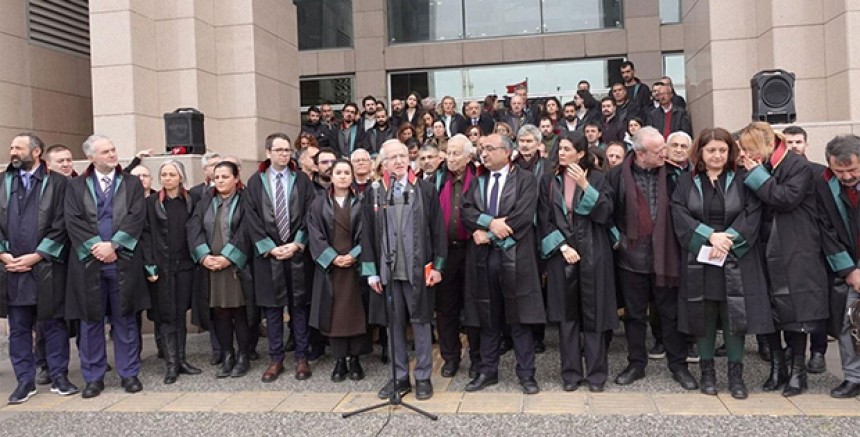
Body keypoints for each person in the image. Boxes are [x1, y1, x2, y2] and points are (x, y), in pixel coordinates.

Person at [671, 127, 773, 399]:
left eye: (723, 150)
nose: (717, 155)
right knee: (703, 315)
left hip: (735, 256)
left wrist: (727, 241)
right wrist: (709, 236)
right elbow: (679, 214)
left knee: (733, 316)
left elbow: (752, 213)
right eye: (711, 150)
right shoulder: (686, 181)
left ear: (731, 152)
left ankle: (736, 375)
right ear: (700, 152)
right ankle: (707, 373)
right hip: (701, 257)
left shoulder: (742, 178)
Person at [738, 122, 828, 397]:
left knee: (795, 309)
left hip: (794, 246)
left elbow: (785, 198)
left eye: (751, 149)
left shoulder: (796, 165)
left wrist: (756, 174)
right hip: (762, 244)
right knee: (766, 306)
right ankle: (777, 366)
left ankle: (798, 372)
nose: (748, 155)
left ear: (768, 145)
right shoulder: (757, 165)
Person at [606, 126, 698, 390]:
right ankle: (636, 364)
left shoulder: (674, 173)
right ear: (640, 153)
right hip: (630, 258)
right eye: (658, 151)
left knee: (671, 314)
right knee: (634, 315)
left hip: (666, 256)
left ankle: (678, 365)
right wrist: (618, 239)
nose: (664, 153)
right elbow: (608, 212)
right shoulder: (616, 176)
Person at [460, 134, 547, 395]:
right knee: (488, 316)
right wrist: (488, 222)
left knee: (519, 318)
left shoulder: (525, 179)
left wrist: (488, 234)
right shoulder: (479, 181)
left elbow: (523, 216)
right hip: (484, 259)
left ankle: (526, 374)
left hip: (516, 256)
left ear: (507, 152)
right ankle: (488, 371)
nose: (484, 154)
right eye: (482, 149)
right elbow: (466, 211)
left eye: (490, 149)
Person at [362, 139, 446, 401]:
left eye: (402, 156)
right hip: (388, 271)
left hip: (418, 269)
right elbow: (367, 234)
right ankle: (399, 377)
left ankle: (423, 376)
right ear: (384, 163)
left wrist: (438, 266)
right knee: (393, 326)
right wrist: (372, 271)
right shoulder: (375, 192)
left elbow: (437, 230)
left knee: (421, 323)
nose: (399, 161)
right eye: (392, 157)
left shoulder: (425, 189)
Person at [65, 134, 148, 398]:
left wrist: (114, 245)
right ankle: (93, 377)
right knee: (91, 320)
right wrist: (97, 247)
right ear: (91, 157)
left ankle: (129, 373)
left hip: (122, 260)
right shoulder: (76, 186)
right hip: (89, 262)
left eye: (113, 149)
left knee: (125, 318)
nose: (112, 154)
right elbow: (73, 220)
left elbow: (136, 216)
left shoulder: (131, 183)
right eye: (105, 152)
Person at [1, 133, 77, 403]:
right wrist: (4, 255)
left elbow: (63, 224)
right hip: (12, 269)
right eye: (12, 147)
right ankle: (25, 380)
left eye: (18, 148)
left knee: (54, 324)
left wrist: (37, 255)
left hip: (47, 266)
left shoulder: (58, 183)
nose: (13, 152)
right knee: (19, 328)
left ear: (36, 152)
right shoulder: (2, 181)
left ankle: (59, 376)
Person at [538, 133, 616, 392]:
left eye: (567, 149)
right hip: (563, 255)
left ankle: (596, 376)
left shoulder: (599, 179)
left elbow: (606, 213)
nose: (561, 153)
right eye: (560, 148)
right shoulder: (549, 180)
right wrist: (562, 246)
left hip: (594, 253)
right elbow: (544, 219)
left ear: (581, 154)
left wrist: (585, 185)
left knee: (595, 317)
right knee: (567, 318)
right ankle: (570, 374)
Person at [244, 133, 316, 382]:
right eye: (279, 150)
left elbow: (310, 213)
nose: (284, 154)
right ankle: (276, 359)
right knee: (273, 310)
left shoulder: (302, 180)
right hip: (269, 256)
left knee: (299, 308)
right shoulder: (256, 182)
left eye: (287, 150)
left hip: (297, 254)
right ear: (268, 153)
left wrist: (297, 243)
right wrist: (270, 247)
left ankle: (301, 358)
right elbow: (251, 217)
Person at [187, 161, 254, 378]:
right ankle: (227, 354)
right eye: (217, 177)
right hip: (211, 266)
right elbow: (194, 228)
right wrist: (204, 256)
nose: (221, 181)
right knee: (219, 313)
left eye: (225, 177)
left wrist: (229, 257)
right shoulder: (206, 200)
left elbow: (246, 230)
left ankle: (243, 355)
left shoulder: (245, 200)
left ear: (236, 178)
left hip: (235, 266)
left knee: (239, 312)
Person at [308, 159, 370, 382]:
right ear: (331, 176)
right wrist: (332, 258)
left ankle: (355, 360)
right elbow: (315, 235)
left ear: (352, 177)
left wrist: (354, 255)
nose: (343, 176)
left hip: (354, 266)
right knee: (334, 316)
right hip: (330, 268)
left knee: (355, 314)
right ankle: (339, 360)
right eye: (338, 173)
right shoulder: (318, 204)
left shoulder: (361, 202)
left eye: (346, 173)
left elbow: (368, 234)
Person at [141, 160, 203, 384]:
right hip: (162, 267)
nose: (167, 178)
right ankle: (171, 364)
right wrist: (149, 265)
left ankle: (182, 360)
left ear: (181, 177)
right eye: (164, 174)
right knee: (166, 314)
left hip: (185, 266)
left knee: (180, 314)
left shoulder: (190, 200)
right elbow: (146, 236)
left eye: (172, 174)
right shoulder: (152, 203)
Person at [431, 134, 482, 379]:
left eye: (456, 153)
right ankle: (450, 357)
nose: (450, 158)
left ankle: (477, 357)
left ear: (469, 156)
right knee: (445, 307)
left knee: (473, 305)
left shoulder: (480, 178)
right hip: (446, 251)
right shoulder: (438, 178)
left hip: (472, 248)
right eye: (448, 153)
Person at [816, 134, 860, 399]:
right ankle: (854, 377)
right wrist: (850, 271)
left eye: (852, 169)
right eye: (839, 171)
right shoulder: (824, 185)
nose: (846, 176)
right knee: (849, 322)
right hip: (848, 264)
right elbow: (825, 230)